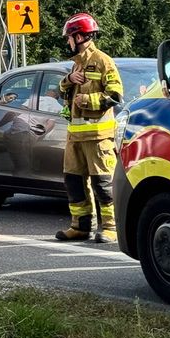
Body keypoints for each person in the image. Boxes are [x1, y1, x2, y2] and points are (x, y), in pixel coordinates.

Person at [56, 13, 123, 243]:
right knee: (74, 182)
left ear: (80, 36)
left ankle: (112, 228)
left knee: (103, 184)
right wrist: (67, 81)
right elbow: (62, 91)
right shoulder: (76, 64)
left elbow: (115, 95)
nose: (68, 42)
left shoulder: (103, 61)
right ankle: (80, 227)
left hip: (98, 138)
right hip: (75, 138)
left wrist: (88, 101)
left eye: (69, 38)